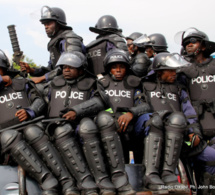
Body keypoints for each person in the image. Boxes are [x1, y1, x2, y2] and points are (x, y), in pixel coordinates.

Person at [68, 48, 152, 194]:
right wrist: (111, 119)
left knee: (151, 121)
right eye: (114, 67)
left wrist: (130, 113)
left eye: (121, 66)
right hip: (107, 131)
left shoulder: (134, 82)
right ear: (108, 68)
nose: (118, 70)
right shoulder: (99, 83)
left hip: (131, 131)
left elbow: (145, 105)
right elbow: (95, 105)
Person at [23, 51, 102, 195]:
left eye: (70, 67)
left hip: (77, 126)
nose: (66, 69)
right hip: (52, 125)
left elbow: (99, 102)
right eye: (64, 67)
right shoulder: (53, 83)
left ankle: (86, 182)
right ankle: (63, 182)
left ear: (81, 69)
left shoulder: (92, 83)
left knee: (66, 130)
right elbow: (40, 100)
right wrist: (31, 111)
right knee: (32, 131)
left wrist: (76, 111)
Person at [0, 49, 59, 195]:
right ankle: (47, 180)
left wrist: (29, 111)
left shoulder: (21, 83)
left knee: (35, 132)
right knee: (8, 137)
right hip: (5, 142)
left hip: (30, 131)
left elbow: (39, 100)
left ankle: (61, 181)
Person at [139, 53, 197, 194]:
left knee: (177, 118)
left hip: (176, 132)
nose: (174, 73)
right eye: (170, 70)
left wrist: (194, 131)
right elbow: (139, 107)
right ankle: (150, 176)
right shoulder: (145, 85)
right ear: (159, 71)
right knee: (155, 120)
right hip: (150, 131)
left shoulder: (178, 88)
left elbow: (189, 112)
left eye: (175, 70)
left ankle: (169, 175)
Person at [175, 27, 215, 195]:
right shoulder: (181, 70)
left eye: (193, 42)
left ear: (203, 45)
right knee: (197, 167)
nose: (189, 45)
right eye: (186, 43)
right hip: (194, 130)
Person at [20, 6, 84, 84]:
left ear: (58, 23)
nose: (46, 27)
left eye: (49, 23)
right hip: (60, 80)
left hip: (75, 82)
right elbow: (51, 68)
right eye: (44, 24)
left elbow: (69, 67)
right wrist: (32, 70)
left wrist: (42, 78)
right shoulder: (55, 41)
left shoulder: (69, 39)